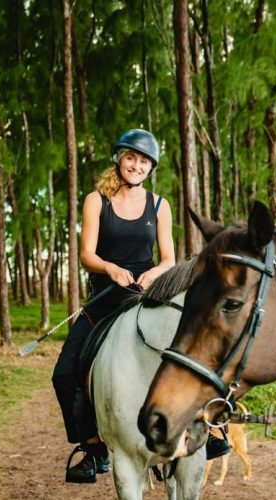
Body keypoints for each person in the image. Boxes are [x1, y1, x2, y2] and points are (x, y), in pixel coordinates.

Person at [52, 128, 175, 483]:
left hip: (147, 297)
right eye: (131, 158)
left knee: (193, 349)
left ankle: (209, 431)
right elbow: (86, 255)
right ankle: (94, 450)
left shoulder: (160, 205)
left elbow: (169, 258)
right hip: (105, 300)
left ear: (151, 168)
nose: (137, 166)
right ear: (120, 159)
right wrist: (110, 268)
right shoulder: (96, 200)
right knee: (63, 375)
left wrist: (155, 272)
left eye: (144, 161)